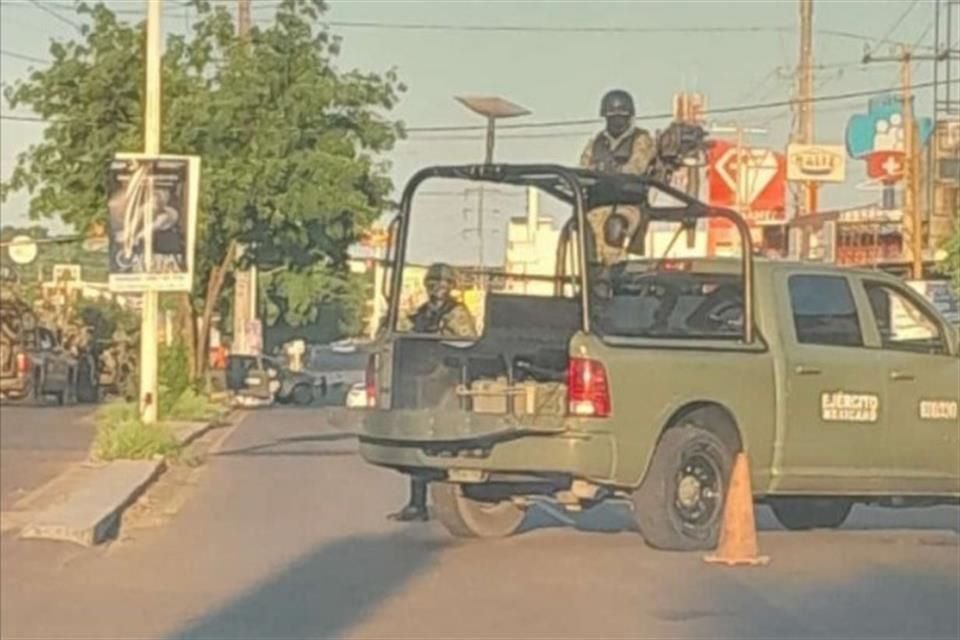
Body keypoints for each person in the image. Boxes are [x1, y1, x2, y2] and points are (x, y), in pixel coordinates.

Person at [389, 263, 478, 523]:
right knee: (418, 441)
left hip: (447, 382)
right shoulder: (422, 312)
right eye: (432, 282)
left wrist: (441, 336)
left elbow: (466, 341)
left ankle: (446, 497)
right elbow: (403, 332)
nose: (436, 287)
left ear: (451, 286)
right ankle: (417, 504)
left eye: (442, 282)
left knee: (440, 442)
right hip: (420, 380)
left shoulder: (456, 312)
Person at [580, 89, 656, 266]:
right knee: (586, 236)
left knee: (614, 228)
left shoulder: (641, 139)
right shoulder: (596, 142)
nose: (616, 121)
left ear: (629, 116)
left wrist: (606, 172)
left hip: (628, 204)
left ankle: (615, 275)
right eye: (612, 117)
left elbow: (636, 167)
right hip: (599, 204)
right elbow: (584, 169)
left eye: (621, 116)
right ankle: (594, 278)